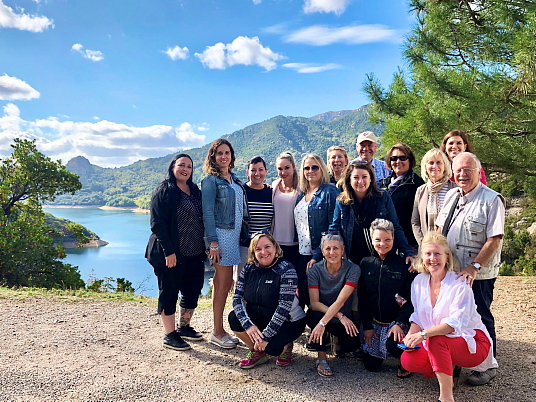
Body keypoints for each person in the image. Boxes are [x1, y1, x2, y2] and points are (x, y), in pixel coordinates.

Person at [435, 152, 505, 386]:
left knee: (481, 317)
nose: (462, 174)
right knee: (454, 315)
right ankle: (457, 360)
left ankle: (488, 365)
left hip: (478, 274)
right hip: (452, 271)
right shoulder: (453, 195)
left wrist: (474, 267)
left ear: (478, 171)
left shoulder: (491, 199)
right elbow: (440, 227)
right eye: (458, 170)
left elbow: (494, 239)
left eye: (468, 170)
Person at [401, 232, 497, 402]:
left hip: (473, 340)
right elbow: (417, 316)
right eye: (428, 254)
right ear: (422, 257)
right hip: (439, 340)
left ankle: (446, 397)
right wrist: (410, 336)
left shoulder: (460, 283)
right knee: (408, 359)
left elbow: (454, 324)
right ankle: (445, 367)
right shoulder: (418, 282)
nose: (433, 259)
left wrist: (423, 335)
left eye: (437, 253)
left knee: (436, 340)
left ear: (447, 257)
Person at [145, 154, 205, 351]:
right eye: (181, 165)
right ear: (173, 167)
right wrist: (169, 252)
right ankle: (169, 335)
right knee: (169, 291)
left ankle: (184, 327)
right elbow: (157, 224)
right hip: (170, 253)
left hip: (194, 252)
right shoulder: (165, 190)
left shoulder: (194, 190)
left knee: (193, 289)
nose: (185, 169)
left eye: (188, 166)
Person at [229, 232, 306, 369]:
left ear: (275, 247)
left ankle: (286, 345)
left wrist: (266, 337)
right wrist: (249, 326)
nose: (263, 252)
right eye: (258, 249)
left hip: (289, 321)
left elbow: (283, 307)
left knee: (273, 350)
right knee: (233, 318)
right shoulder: (248, 268)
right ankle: (257, 351)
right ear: (253, 251)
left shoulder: (286, 269)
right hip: (261, 315)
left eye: (267, 247)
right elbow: (237, 298)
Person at [202, 139, 249, 349]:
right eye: (219, 153)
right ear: (213, 156)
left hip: (235, 235)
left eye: (227, 153)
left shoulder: (234, 180)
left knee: (224, 284)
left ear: (231, 156)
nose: (223, 156)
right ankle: (217, 332)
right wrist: (212, 243)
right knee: (223, 284)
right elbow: (208, 213)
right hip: (221, 236)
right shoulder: (211, 181)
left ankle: (219, 330)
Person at [358, 219, 416, 376]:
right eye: (377, 239)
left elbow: (411, 300)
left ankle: (405, 360)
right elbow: (362, 297)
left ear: (393, 239)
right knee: (370, 366)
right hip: (374, 323)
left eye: (387, 239)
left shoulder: (404, 265)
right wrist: (367, 326)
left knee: (393, 346)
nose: (382, 244)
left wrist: (400, 322)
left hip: (397, 323)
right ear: (371, 239)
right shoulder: (365, 263)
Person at [329, 162, 415, 266]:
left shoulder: (383, 197)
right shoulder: (342, 202)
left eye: (364, 177)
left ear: (371, 179)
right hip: (355, 260)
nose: (360, 181)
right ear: (349, 180)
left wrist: (407, 252)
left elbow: (394, 226)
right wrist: (318, 255)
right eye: (356, 177)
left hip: (382, 258)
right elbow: (334, 229)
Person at [307, 233, 361, 377]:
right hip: (324, 314)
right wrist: (333, 318)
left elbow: (341, 301)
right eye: (328, 249)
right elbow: (314, 303)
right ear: (322, 251)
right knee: (313, 316)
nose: (332, 252)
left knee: (352, 344)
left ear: (342, 250)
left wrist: (337, 317)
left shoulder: (353, 269)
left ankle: (335, 339)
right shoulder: (315, 269)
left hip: (342, 314)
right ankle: (321, 358)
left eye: (336, 248)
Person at [294, 154, 340, 304]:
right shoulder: (301, 195)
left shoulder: (329, 192)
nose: (310, 170)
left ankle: (323, 324)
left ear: (322, 169)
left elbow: (334, 226)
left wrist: (318, 255)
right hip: (302, 252)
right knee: (303, 292)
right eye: (307, 168)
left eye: (315, 167)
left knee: (320, 295)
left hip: (320, 253)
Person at [379, 143, 425, 249]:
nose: (398, 161)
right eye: (394, 158)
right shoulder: (383, 184)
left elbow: (420, 217)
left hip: (408, 242)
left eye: (402, 158)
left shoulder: (417, 184)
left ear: (410, 160)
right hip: (386, 241)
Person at [235, 156, 274, 281]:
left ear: (266, 171)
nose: (257, 174)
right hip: (245, 247)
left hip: (266, 248)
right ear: (247, 172)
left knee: (264, 283)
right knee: (242, 283)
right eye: (253, 170)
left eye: (260, 170)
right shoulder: (241, 191)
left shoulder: (271, 192)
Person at [411, 148, 458, 247]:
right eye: (431, 163)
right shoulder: (420, 191)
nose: (435, 166)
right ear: (425, 167)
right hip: (426, 248)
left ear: (445, 166)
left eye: (439, 163)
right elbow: (415, 222)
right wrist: (423, 244)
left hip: (451, 246)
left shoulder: (456, 189)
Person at [271, 151, 301, 270]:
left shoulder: (302, 187)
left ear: (293, 167)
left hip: (296, 243)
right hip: (276, 243)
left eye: (287, 168)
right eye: (280, 169)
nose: (283, 172)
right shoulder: (274, 186)